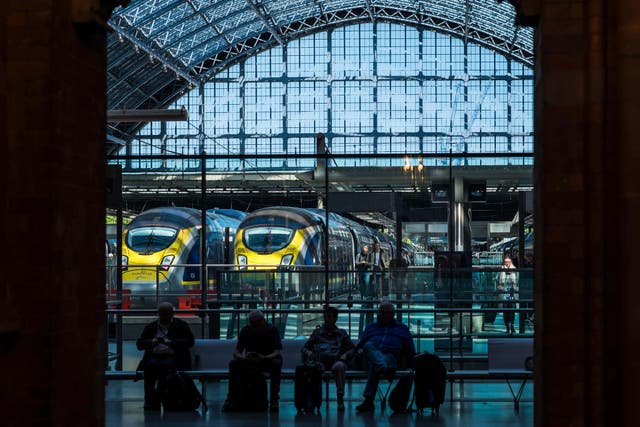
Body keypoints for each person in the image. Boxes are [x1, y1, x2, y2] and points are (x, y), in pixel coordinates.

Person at [354, 302, 416, 412]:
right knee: (368, 346)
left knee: (375, 364)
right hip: (371, 357)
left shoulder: (401, 328)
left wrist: (411, 365)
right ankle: (384, 368)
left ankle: (368, 401)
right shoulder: (371, 327)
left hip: (389, 357)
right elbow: (361, 344)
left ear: (392, 314)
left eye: (384, 313)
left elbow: (410, 348)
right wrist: (359, 350)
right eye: (379, 312)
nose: (380, 315)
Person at [136, 302, 195, 411]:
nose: (165, 317)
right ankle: (153, 398)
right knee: (152, 368)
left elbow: (190, 342)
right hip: (162, 356)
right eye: (163, 314)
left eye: (166, 314)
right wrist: (151, 342)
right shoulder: (154, 326)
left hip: (173, 357)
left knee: (157, 368)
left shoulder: (179, 325)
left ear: (172, 314)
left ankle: (152, 399)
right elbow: (140, 344)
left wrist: (171, 342)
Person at [223, 310, 283, 412]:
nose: (255, 326)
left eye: (257, 323)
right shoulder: (247, 330)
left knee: (275, 363)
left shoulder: (272, 330)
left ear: (263, 321)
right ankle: (231, 398)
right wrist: (243, 358)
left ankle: (274, 400)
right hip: (254, 360)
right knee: (233, 364)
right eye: (253, 323)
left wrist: (264, 357)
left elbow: (277, 352)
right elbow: (237, 352)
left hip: (266, 360)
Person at [301, 306, 356, 411]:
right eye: (325, 316)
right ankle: (313, 399)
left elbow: (353, 349)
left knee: (339, 367)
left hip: (337, 360)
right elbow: (304, 348)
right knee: (315, 368)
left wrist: (346, 355)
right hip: (320, 361)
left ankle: (340, 398)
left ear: (335, 319)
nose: (326, 319)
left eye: (329, 317)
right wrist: (308, 352)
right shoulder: (317, 333)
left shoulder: (342, 333)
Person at [497, 257, 519, 334]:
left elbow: (517, 280)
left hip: (512, 293)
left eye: (508, 262)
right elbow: (497, 279)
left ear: (511, 262)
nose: (507, 263)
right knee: (505, 311)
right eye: (505, 262)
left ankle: (512, 326)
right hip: (504, 293)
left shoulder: (514, 269)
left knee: (512, 310)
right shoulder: (501, 270)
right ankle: (507, 326)